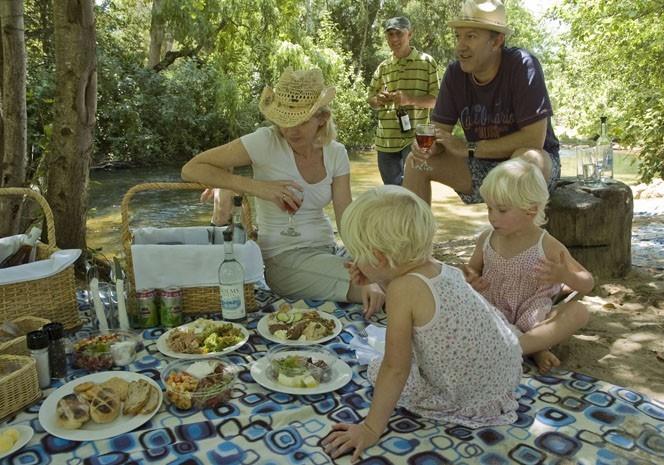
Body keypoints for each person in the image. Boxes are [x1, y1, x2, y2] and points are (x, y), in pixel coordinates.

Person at [322, 185, 522, 461]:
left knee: (379, 367)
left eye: (358, 254)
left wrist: (370, 428)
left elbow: (396, 367)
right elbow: (398, 280)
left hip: (468, 396)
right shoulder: (439, 267)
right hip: (502, 378)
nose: (355, 261)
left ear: (379, 257)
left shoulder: (402, 291)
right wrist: (375, 277)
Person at [181, 68, 385, 315]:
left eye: (300, 122)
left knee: (392, 269)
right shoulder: (264, 142)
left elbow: (346, 219)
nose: (290, 131)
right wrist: (258, 188)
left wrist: (364, 259)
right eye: (284, 122)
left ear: (322, 118)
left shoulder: (336, 153)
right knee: (379, 287)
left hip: (328, 249)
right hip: (283, 259)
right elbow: (192, 169)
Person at [403, 0, 561, 205]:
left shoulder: (522, 65)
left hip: (535, 168)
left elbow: (533, 140)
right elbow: (438, 133)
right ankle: (413, 236)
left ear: (496, 41)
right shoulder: (454, 74)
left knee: (527, 158)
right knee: (415, 163)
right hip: (480, 165)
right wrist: (428, 147)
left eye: (471, 36)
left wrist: (469, 147)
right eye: (458, 36)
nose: (460, 46)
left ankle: (515, 237)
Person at [464, 159, 592, 373]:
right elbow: (471, 271)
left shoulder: (546, 244)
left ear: (530, 210)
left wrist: (564, 275)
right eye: (489, 208)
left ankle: (521, 346)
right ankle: (534, 349)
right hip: (493, 314)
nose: (492, 216)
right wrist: (470, 279)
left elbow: (587, 282)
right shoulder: (487, 239)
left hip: (534, 316)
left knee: (579, 312)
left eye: (502, 210)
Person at [367, 16, 439, 186]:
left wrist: (410, 99)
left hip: (415, 140)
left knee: (415, 190)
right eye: (390, 34)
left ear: (410, 34)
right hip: (385, 140)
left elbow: (436, 101)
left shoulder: (427, 62)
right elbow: (370, 99)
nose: (394, 39)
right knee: (393, 194)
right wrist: (377, 100)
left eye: (399, 34)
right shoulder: (383, 67)